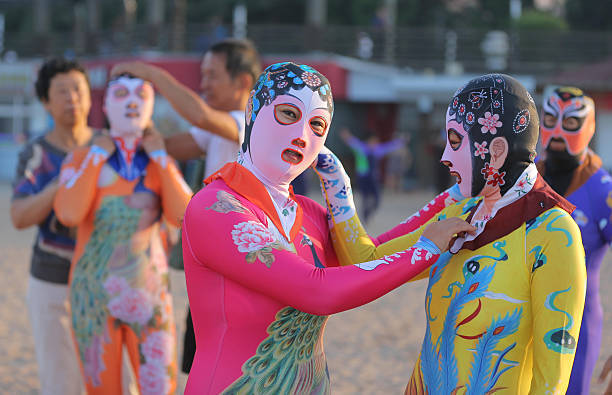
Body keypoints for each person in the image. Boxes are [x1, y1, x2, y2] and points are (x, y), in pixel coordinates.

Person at [180, 62, 474, 393]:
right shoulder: (217, 208)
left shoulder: (309, 213)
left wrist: (454, 197)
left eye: (317, 125)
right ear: (252, 109)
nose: (301, 136)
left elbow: (369, 257)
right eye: (289, 114)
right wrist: (425, 250)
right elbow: (316, 290)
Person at [318, 74, 586, 393]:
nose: (445, 155)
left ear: (496, 150)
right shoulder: (458, 209)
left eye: (456, 141)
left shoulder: (553, 231)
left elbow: (552, 377)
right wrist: (334, 177)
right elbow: (368, 260)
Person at [111, 38, 261, 373]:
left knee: (225, 364)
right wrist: (130, 129)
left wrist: (151, 74)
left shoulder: (251, 123)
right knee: (201, 362)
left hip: (239, 268)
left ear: (243, 82)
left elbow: (198, 115)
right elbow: (168, 146)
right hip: (214, 263)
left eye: (211, 75)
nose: (203, 83)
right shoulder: (219, 127)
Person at [53, 74, 192, 394]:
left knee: (160, 388)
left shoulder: (161, 163)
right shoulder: (80, 159)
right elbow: (69, 213)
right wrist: (97, 155)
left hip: (151, 297)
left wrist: (159, 156)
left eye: (141, 94)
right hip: (94, 298)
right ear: (105, 105)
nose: (132, 102)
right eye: (120, 93)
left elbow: (185, 216)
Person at [10, 57, 93, 395]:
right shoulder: (36, 153)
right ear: (45, 102)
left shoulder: (111, 146)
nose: (72, 98)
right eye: (61, 92)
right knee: (61, 382)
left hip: (107, 282)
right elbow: (18, 216)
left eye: (78, 89)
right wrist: (64, 180)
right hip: (51, 282)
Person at [536, 86, 612, 393]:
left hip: (576, 324)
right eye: (550, 119)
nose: (557, 133)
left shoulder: (602, 191)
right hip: (519, 315)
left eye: (569, 123)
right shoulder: (525, 179)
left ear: (590, 127)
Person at [340, 127, 404, 223]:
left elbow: (389, 147)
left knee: (377, 199)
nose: (375, 142)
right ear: (369, 141)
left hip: (373, 178)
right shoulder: (362, 149)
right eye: (374, 141)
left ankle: (368, 213)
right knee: (365, 198)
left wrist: (401, 141)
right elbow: (352, 141)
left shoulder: (377, 150)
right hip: (363, 178)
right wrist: (346, 136)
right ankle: (365, 216)